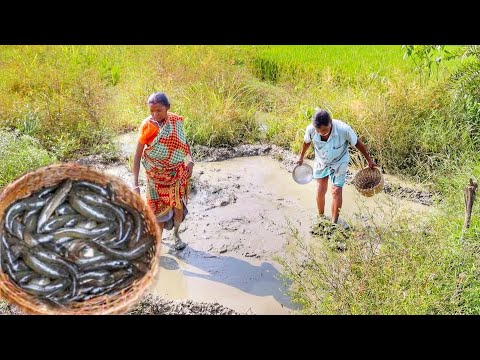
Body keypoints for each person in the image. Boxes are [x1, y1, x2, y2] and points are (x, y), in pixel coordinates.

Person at [133, 92, 194, 250]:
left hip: (177, 174)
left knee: (178, 208)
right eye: (151, 111)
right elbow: (137, 156)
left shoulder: (174, 121)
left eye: (159, 110)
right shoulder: (147, 126)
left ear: (168, 108)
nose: (155, 114)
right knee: (157, 213)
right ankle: (157, 245)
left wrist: (190, 160)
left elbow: (183, 141)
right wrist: (135, 185)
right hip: (155, 179)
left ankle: (176, 235)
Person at [297, 108, 376, 224]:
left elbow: (358, 143)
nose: (321, 133)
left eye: (325, 130)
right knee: (320, 189)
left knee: (336, 190)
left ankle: (334, 223)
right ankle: (321, 217)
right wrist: (301, 157)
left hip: (339, 161)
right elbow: (306, 142)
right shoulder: (311, 130)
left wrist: (369, 160)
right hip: (321, 160)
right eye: (318, 131)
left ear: (331, 122)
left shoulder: (343, 129)